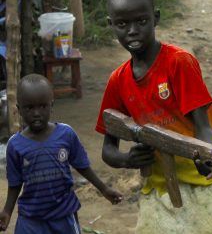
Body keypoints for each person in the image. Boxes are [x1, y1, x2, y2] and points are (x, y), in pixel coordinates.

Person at [95, 0, 212, 234]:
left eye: (141, 21)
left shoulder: (179, 63)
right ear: (110, 25)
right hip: (157, 192)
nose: (132, 31)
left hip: (201, 186)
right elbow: (108, 150)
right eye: (123, 24)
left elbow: (203, 125)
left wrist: (209, 155)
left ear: (155, 18)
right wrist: (127, 159)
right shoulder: (118, 81)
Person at [0, 74, 122, 234]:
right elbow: (15, 183)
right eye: (29, 108)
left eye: (42, 106)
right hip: (31, 218)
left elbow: (83, 166)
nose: (37, 113)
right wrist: (7, 212)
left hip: (63, 215)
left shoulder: (66, 134)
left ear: (51, 105)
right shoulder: (15, 145)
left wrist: (104, 189)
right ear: (19, 109)